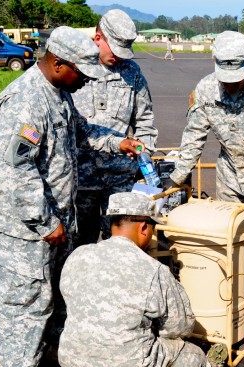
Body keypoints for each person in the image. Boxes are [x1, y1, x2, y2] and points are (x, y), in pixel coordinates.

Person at [0, 26, 142, 367]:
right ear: (58, 63)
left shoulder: (58, 94)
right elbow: (17, 172)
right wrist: (45, 222)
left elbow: (81, 133)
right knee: (23, 297)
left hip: (47, 219)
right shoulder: (25, 101)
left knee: (47, 291)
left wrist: (118, 141)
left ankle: (40, 349)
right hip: (18, 225)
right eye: (81, 72)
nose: (85, 80)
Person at [168, 31, 244, 322]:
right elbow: (193, 139)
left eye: (236, 75)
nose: (231, 83)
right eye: (225, 75)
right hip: (229, 173)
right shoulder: (205, 91)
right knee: (231, 231)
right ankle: (237, 282)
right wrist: (177, 178)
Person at [58, 192, 210, 367]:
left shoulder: (79, 255)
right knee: (198, 360)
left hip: (75, 365)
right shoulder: (153, 270)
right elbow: (180, 327)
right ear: (143, 228)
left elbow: (71, 304)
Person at [72, 9, 159, 248]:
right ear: (98, 38)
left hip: (120, 178)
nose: (119, 57)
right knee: (79, 244)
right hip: (81, 180)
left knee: (122, 246)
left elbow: (145, 119)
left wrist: (145, 159)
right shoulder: (74, 68)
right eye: (115, 50)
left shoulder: (131, 73)